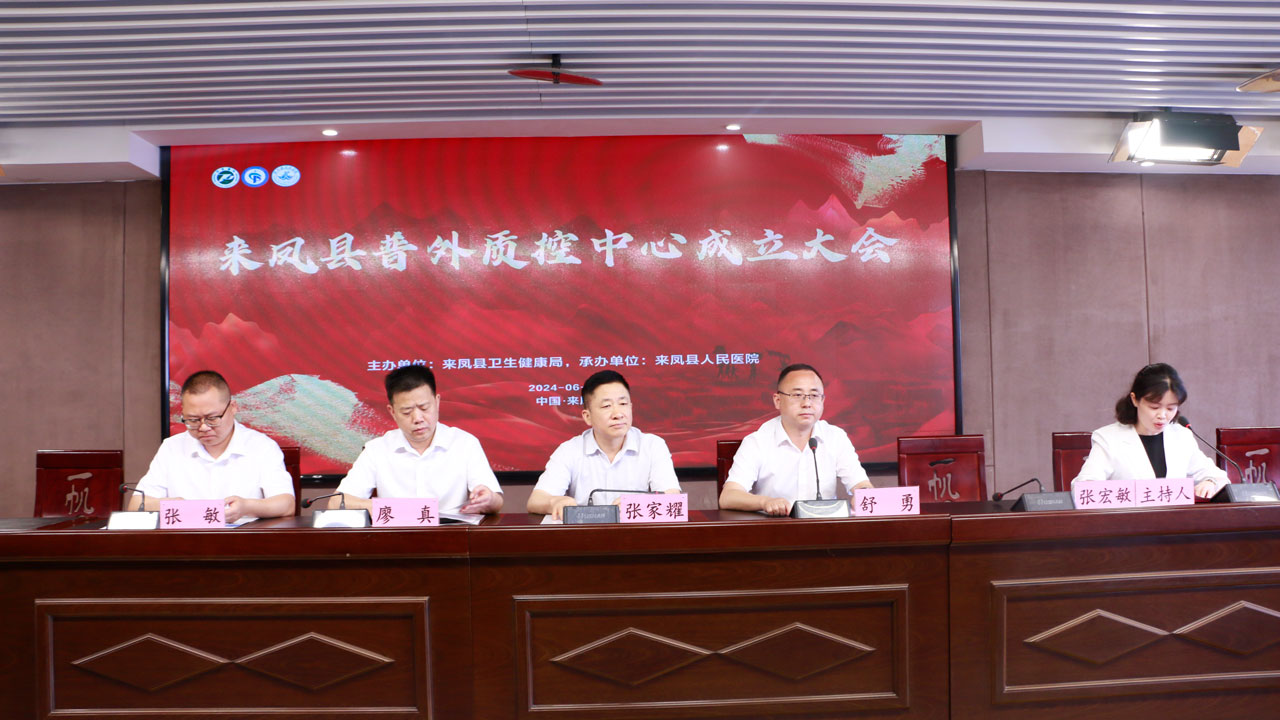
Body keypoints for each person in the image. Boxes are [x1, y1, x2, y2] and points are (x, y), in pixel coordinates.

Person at [331, 365, 503, 514]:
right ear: (392, 412)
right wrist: (376, 507)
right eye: (407, 412)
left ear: (437, 402)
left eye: (424, 407)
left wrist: (488, 499)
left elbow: (496, 502)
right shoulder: (377, 450)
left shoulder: (464, 443)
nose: (418, 418)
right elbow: (336, 502)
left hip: (451, 536)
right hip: (397, 537)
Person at [131, 370, 295, 523]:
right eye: (193, 420)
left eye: (212, 418)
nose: (203, 427)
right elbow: (135, 505)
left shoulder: (261, 446)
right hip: (186, 541)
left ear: (232, 407)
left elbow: (286, 505)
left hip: (243, 541)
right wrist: (172, 505)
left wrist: (246, 507)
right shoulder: (172, 448)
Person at [719, 363, 873, 516]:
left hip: (826, 526)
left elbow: (861, 484)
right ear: (778, 400)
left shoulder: (835, 437)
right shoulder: (757, 442)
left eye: (814, 395)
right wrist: (765, 502)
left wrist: (863, 494)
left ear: (822, 400)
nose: (807, 403)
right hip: (776, 526)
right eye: (797, 395)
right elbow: (728, 496)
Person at [528, 370, 681, 520]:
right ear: (587, 416)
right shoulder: (569, 450)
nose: (618, 414)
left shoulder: (653, 446)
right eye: (606, 406)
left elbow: (673, 499)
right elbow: (536, 501)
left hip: (636, 534)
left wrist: (638, 505)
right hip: (586, 534)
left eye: (623, 404)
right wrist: (555, 502)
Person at [1072, 363, 1228, 498]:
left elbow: (1219, 477)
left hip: (1174, 521)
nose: (1162, 415)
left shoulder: (1181, 436)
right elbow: (1083, 487)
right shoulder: (1108, 438)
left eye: (1170, 408)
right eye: (1154, 407)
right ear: (1135, 399)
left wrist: (1210, 482)